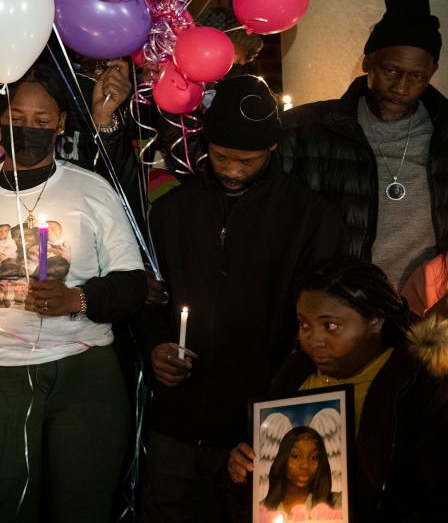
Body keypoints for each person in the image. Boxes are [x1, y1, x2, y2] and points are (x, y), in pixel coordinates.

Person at [0, 62, 148, 522]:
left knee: (82, 508)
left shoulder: (92, 190)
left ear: (62, 123)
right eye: (16, 119)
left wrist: (77, 299)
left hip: (84, 368)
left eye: (43, 121)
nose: (28, 129)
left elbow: (132, 286)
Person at [143, 75, 344, 522]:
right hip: (178, 420)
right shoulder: (172, 211)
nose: (233, 170)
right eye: (221, 157)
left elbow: (316, 328)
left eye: (246, 160)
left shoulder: (309, 217)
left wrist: (280, 416)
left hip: (261, 425)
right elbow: (150, 298)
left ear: (271, 150)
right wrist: (156, 345)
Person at [227, 257, 448, 521]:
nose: (313, 340)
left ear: (375, 319)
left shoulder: (416, 386)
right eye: (304, 324)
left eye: (330, 326)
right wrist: (239, 473)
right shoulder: (294, 374)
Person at [280, 0, 445, 290]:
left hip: (429, 316)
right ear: (368, 61)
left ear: (432, 71)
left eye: (417, 77)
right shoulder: (305, 130)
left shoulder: (445, 133)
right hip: (343, 310)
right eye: (391, 71)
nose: (401, 87)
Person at [258, 426, 340, 521]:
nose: (305, 465)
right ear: (283, 459)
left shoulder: (339, 504)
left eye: (314, 457)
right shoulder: (260, 511)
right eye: (296, 456)